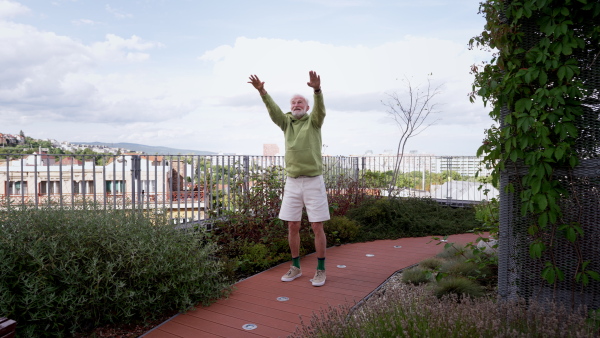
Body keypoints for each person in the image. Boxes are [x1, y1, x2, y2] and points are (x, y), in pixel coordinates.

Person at [248, 71, 330, 287]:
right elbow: (274, 112)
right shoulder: (286, 123)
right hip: (292, 181)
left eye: (300, 102)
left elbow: (321, 110)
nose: (296, 104)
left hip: (313, 180)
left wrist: (317, 90)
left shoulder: (314, 121)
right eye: (293, 102)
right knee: (293, 225)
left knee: (316, 226)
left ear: (307, 106)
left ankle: (320, 270)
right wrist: (262, 92)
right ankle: (295, 267)